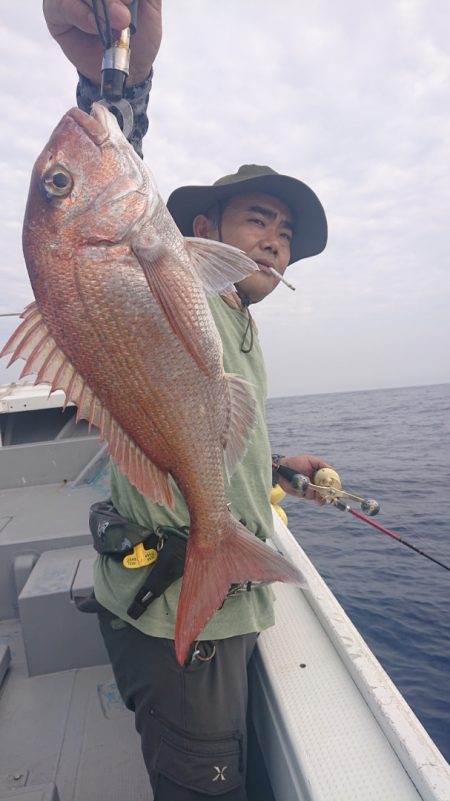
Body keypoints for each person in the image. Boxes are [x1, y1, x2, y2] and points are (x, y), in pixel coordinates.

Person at [44, 2, 332, 799]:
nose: (276, 240)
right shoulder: (171, 288)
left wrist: (279, 465)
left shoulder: (234, 324)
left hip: (223, 600)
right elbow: (110, 189)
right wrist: (119, 80)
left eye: (286, 235)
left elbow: (204, 429)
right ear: (200, 228)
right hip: (176, 608)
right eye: (259, 220)